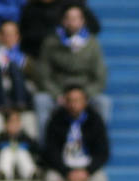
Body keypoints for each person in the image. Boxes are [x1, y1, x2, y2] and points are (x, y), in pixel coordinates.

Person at [33, 3, 109, 136]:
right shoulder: (51, 43)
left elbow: (100, 76)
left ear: (82, 21)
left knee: (103, 102)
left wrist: (85, 95)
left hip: (85, 92)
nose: (73, 22)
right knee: (41, 100)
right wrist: (57, 94)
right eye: (69, 18)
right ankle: (45, 148)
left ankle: (98, 146)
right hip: (59, 91)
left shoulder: (92, 44)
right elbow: (44, 75)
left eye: (76, 18)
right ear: (64, 21)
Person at [41, 84, 109, 181]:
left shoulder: (95, 120)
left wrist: (87, 171)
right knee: (51, 179)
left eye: (77, 100)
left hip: (87, 167)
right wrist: (66, 172)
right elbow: (51, 151)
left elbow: (103, 152)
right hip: (63, 168)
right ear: (65, 102)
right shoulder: (56, 120)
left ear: (85, 101)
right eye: (70, 101)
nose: (74, 105)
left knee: (101, 180)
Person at [19, 0, 100, 59]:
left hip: (73, 57)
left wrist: (74, 35)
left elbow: (94, 27)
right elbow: (26, 36)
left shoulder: (70, 4)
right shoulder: (30, 9)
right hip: (39, 56)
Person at [0, 21, 36, 111]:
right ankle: (2, 104)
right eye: (6, 34)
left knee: (13, 66)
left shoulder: (25, 56)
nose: (9, 38)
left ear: (18, 36)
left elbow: (34, 75)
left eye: (12, 34)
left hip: (22, 90)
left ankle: (20, 103)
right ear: (1, 36)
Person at [0, 108, 41, 179]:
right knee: (6, 153)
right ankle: (3, 175)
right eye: (12, 121)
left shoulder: (26, 138)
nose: (15, 125)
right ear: (6, 124)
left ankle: (32, 174)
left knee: (22, 153)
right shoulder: (0, 139)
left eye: (17, 121)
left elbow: (37, 152)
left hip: (23, 168)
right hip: (3, 165)